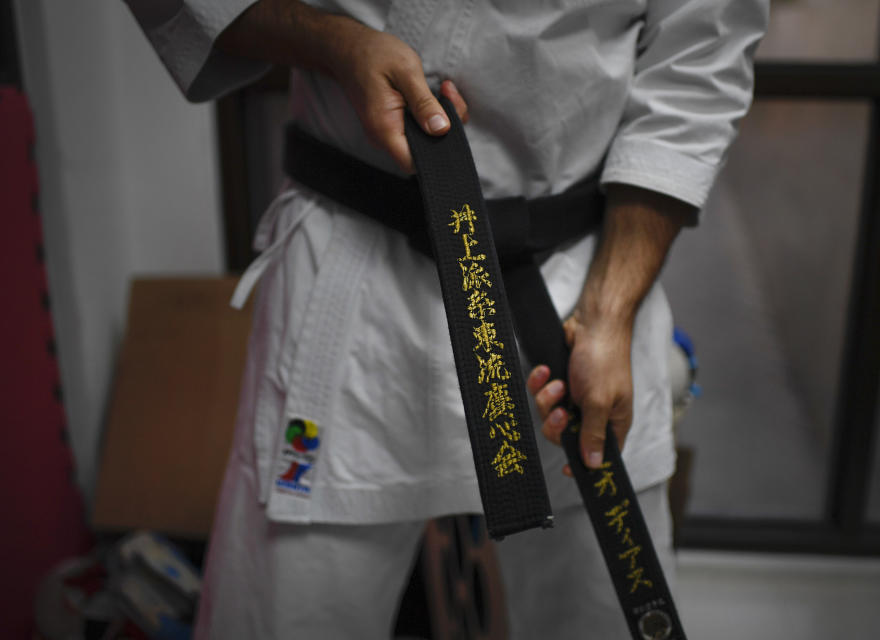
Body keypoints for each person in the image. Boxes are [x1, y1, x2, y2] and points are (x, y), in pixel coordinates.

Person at [125, 0, 767, 637]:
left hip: (576, 297)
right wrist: (332, 41)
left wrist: (612, 311)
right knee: (286, 612)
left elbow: (699, 63)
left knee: (598, 612)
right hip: (359, 277)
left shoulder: (597, 308)